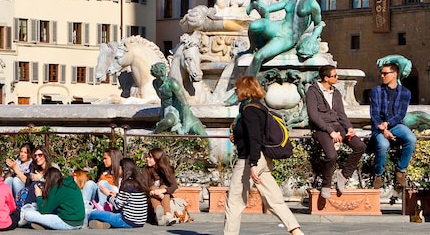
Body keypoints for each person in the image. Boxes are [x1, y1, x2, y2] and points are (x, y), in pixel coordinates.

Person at [224, 75, 303, 235]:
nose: (236, 92)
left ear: (245, 90)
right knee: (274, 200)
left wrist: (252, 164)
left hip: (249, 159)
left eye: (237, 88)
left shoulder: (249, 110)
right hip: (263, 160)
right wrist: (237, 137)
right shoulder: (259, 108)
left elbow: (254, 137)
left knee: (234, 201)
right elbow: (252, 134)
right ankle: (296, 231)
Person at [246, 0, 324, 76]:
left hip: (288, 37)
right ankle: (252, 47)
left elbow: (319, 24)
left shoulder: (312, 3)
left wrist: (312, 37)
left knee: (258, 57)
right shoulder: (289, 0)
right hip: (279, 27)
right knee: (254, 26)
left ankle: (245, 88)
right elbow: (268, 8)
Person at [306, 65, 365, 199]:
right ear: (326, 78)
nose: (337, 78)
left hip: (337, 126)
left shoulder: (336, 92)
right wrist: (331, 132)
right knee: (331, 155)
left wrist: (349, 128)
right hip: (321, 129)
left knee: (360, 146)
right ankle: (326, 184)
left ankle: (344, 175)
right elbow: (314, 116)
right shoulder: (313, 91)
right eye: (335, 76)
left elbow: (341, 114)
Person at [369, 62, 416, 189]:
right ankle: (378, 174)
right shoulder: (376, 91)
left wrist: (388, 124)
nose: (382, 76)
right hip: (379, 126)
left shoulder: (405, 92)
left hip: (395, 125)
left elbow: (401, 114)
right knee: (383, 145)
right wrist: (383, 128)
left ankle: (400, 170)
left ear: (394, 74)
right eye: (381, 73)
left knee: (411, 139)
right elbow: (374, 114)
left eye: (385, 73)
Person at [87, 157, 149, 229]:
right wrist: (116, 195)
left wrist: (108, 194)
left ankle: (106, 222)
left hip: (126, 221)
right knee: (108, 215)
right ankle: (105, 224)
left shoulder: (127, 184)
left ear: (124, 169)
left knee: (93, 214)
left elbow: (117, 205)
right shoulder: (139, 182)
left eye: (119, 168)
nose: (118, 170)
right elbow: (130, 199)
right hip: (140, 221)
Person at [20, 166, 84, 230]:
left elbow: (44, 210)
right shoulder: (70, 184)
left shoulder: (57, 188)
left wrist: (39, 195)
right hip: (79, 222)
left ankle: (42, 224)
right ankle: (44, 224)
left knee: (28, 214)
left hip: (67, 223)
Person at [151, 61, 206, 135]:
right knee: (169, 121)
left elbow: (185, 103)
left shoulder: (172, 83)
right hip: (170, 111)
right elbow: (162, 100)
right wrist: (162, 115)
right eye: (159, 75)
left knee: (203, 134)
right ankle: (154, 134)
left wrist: (185, 125)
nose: (162, 77)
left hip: (180, 110)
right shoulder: (155, 83)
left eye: (163, 73)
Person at [144, 148, 179, 226]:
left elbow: (174, 186)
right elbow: (143, 185)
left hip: (164, 197)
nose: (147, 159)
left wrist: (162, 191)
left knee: (164, 187)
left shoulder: (168, 170)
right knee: (153, 187)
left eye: (150, 157)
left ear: (157, 158)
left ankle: (163, 217)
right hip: (150, 198)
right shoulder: (146, 170)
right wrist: (152, 192)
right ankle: (166, 215)